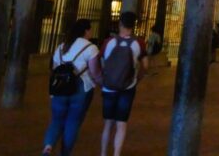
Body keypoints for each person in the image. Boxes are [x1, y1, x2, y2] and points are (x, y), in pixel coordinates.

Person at [93, 12, 148, 156]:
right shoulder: (139, 43)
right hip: (127, 87)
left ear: (120, 24)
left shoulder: (108, 42)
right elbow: (145, 65)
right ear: (133, 25)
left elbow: (101, 61)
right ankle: (116, 154)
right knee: (121, 124)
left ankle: (103, 153)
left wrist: (104, 77)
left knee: (108, 124)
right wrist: (138, 77)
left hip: (109, 87)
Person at [43, 19, 98, 156]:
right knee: (72, 122)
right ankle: (64, 153)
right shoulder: (91, 48)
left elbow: (55, 69)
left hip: (60, 89)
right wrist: (100, 83)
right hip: (80, 88)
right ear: (86, 30)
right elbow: (94, 71)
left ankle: (48, 147)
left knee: (56, 120)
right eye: (90, 30)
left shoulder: (62, 47)